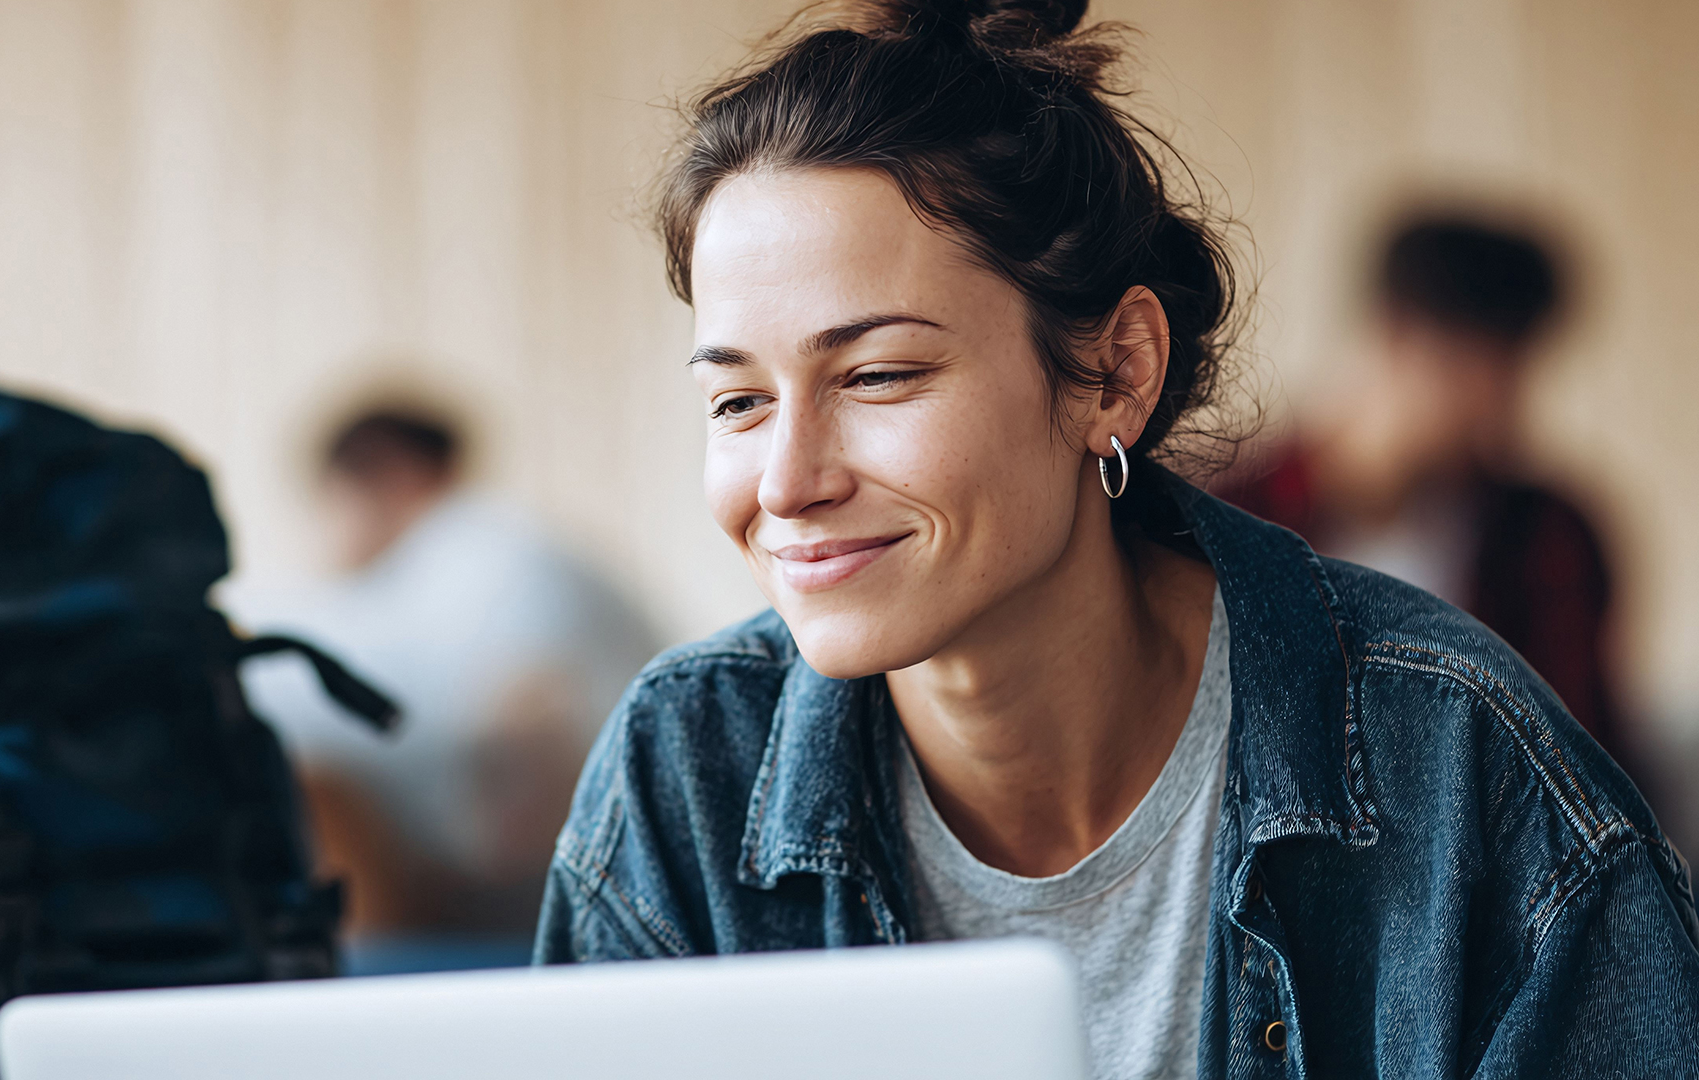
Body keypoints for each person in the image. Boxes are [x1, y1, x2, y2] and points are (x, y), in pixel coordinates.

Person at [533, 1, 1699, 1076]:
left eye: (879, 375)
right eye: (737, 401)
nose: (785, 482)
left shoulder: (1465, 774)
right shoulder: (683, 772)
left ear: (1113, 372)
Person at [237, 407, 658, 973]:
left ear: (386, 479)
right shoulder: (487, 555)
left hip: (563, 879)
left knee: (308, 780)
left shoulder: (480, 548)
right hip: (578, 860)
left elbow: (528, 713)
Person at [1220, 214, 1633, 771]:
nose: (1500, 405)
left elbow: (1587, 763)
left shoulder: (1549, 536)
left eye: (1516, 369)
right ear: (1394, 336)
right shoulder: (1237, 511)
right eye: (1474, 369)